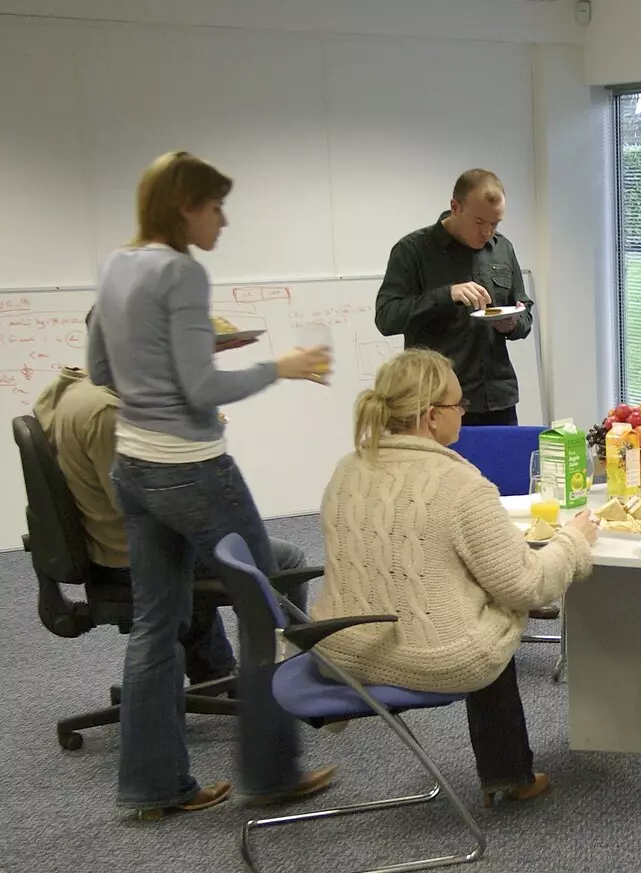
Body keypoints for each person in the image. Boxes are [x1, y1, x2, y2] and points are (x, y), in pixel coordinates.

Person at [88, 150, 335, 819]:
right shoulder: (181, 271)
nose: (224, 219)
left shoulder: (116, 263)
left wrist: (162, 384)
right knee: (263, 604)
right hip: (191, 469)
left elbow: (100, 368)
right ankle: (270, 773)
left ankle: (154, 785)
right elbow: (202, 389)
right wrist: (279, 367)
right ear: (182, 207)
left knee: (153, 626)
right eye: (215, 205)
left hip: (132, 467)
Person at [311, 349, 597, 807]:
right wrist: (574, 542)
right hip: (426, 658)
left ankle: (508, 772)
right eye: (458, 406)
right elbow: (528, 585)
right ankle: (508, 776)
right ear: (430, 417)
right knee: (501, 612)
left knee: (479, 593)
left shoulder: (349, 468)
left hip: (337, 646)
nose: (464, 413)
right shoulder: (460, 486)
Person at [33, 362, 310, 688]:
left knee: (217, 545)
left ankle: (215, 674)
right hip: (132, 555)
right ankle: (283, 675)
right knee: (286, 559)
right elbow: (136, 505)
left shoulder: (75, 390)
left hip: (107, 542)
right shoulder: (106, 414)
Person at [376, 169, 532, 427]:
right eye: (479, 222)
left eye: (495, 223)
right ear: (455, 207)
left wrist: (512, 323)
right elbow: (386, 318)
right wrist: (446, 295)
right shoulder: (413, 251)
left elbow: (524, 312)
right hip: (437, 403)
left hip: (497, 398)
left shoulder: (502, 248)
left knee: (500, 468)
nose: (487, 232)